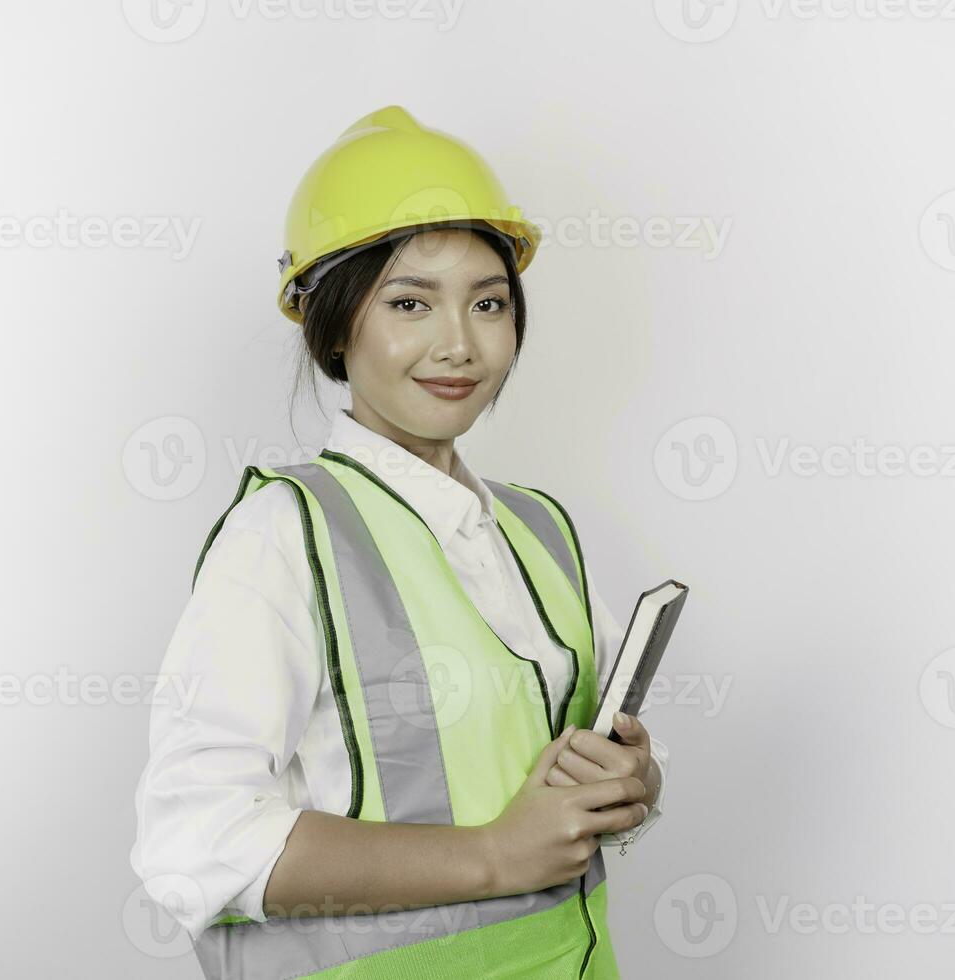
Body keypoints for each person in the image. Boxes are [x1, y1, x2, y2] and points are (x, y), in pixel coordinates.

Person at [130, 105, 671, 979]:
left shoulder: (538, 529)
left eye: (488, 303)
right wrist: (495, 854)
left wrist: (631, 780)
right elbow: (195, 841)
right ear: (334, 325)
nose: (458, 344)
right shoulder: (284, 535)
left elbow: (581, 762)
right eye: (410, 303)